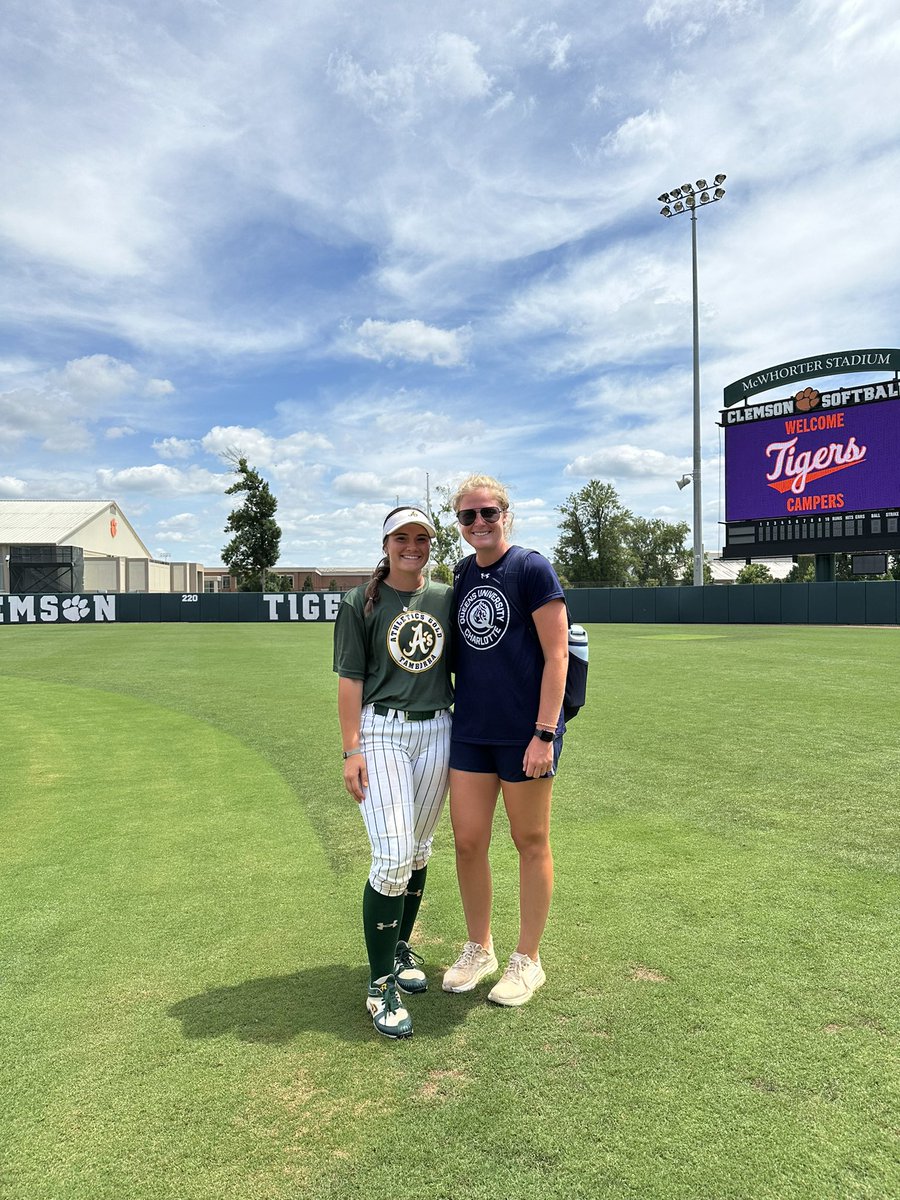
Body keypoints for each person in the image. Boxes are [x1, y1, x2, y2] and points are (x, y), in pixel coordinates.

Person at [442, 474, 568, 1007]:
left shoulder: (531, 568)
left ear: (505, 515)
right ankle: (480, 947)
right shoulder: (462, 573)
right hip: (471, 730)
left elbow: (557, 655)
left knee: (529, 841)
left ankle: (528, 959)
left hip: (525, 734)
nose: (478, 524)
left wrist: (544, 733)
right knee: (468, 842)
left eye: (487, 513)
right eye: (467, 516)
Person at [333, 506, 453, 1039]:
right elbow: (350, 680)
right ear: (385, 543)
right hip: (381, 732)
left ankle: (400, 945)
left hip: (438, 730)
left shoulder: (446, 597)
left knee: (420, 849)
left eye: (421, 537)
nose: (412, 546)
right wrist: (350, 749)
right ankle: (380, 983)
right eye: (401, 537)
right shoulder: (359, 601)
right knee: (392, 856)